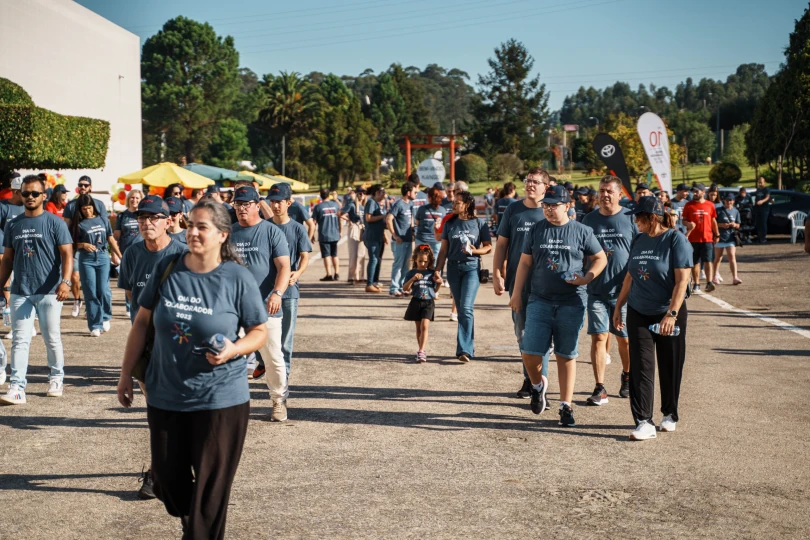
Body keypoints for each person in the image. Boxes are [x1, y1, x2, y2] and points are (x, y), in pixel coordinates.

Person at [116, 200, 268, 538]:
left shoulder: (236, 277)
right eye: (191, 225)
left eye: (203, 227)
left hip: (221, 399)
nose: (194, 232)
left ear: (222, 235)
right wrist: (126, 373)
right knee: (168, 481)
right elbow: (141, 323)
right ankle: (194, 520)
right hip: (165, 393)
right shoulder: (169, 267)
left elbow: (259, 331)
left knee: (210, 496)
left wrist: (233, 349)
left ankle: (199, 528)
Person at [509, 185, 606, 427]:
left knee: (566, 354)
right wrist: (516, 293)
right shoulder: (536, 230)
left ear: (568, 205)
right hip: (539, 300)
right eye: (546, 205)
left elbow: (600, 258)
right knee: (529, 351)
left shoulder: (581, 231)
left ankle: (566, 406)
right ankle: (537, 385)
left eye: (554, 205)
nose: (549, 210)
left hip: (571, 302)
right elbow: (524, 263)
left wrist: (586, 278)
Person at [117, 194, 187, 500]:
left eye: (154, 218)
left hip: (177, 342)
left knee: (181, 409)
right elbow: (132, 296)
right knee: (157, 410)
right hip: (145, 342)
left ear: (168, 221)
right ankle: (159, 470)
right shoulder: (133, 253)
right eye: (142, 218)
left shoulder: (183, 254)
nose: (146, 223)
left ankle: (173, 465)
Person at [613, 196, 692, 441]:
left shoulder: (675, 240)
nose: (635, 220)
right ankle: (644, 421)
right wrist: (619, 306)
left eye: (639, 216)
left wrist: (671, 314)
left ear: (653, 217)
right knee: (641, 366)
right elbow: (629, 276)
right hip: (639, 310)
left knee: (669, 365)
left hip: (668, 311)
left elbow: (682, 281)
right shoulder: (638, 239)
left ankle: (670, 413)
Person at [0, 175, 73, 405]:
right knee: (20, 340)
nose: (29, 197)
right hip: (21, 291)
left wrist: (66, 281)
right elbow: (7, 260)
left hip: (50, 291)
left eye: (34, 193)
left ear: (44, 196)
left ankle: (56, 378)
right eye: (25, 193)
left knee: (51, 338)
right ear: (20, 194)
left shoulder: (55, 223)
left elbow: (67, 253)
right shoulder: (13, 224)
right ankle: (17, 388)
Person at [230, 186, 291, 421]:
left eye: (246, 204)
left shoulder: (271, 232)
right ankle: (231, 403)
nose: (241, 208)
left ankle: (278, 400)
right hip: (233, 309)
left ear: (258, 205)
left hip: (266, 306)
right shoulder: (229, 232)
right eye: (237, 204)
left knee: (273, 357)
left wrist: (277, 293)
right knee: (229, 356)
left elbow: (284, 267)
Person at [493, 167, 550, 400]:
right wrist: (497, 273)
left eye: (536, 182)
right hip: (518, 283)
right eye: (528, 181)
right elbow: (501, 245)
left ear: (546, 186)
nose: (530, 185)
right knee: (522, 334)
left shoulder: (551, 210)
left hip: (546, 284)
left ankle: (539, 385)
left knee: (541, 335)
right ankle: (530, 379)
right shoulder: (513, 210)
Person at [581, 176, 638, 405]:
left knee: (624, 339)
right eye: (601, 191)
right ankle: (600, 387)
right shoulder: (589, 219)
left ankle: (627, 376)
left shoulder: (630, 218)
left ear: (619, 194)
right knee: (598, 337)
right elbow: (581, 250)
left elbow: (639, 251)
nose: (604, 195)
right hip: (595, 289)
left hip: (623, 291)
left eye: (609, 191)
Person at [433, 191, 492, 363]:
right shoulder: (450, 223)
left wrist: (474, 251)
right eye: (453, 203)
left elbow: (488, 247)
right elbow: (443, 250)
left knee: (466, 308)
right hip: (452, 269)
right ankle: (466, 347)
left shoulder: (479, 224)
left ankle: (464, 350)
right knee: (461, 309)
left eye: (457, 203)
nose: (453, 205)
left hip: (471, 269)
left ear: (467, 204)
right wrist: (438, 270)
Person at [268, 182, 311, 380]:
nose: (276, 206)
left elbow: (305, 256)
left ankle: (283, 377)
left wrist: (298, 273)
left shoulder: (297, 229)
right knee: (265, 338)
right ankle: (266, 369)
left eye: (280, 202)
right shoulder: (264, 226)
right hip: (266, 291)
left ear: (289, 202)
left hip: (289, 292)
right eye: (273, 201)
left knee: (285, 339)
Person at [71, 194, 122, 337]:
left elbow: (110, 238)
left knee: (104, 290)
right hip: (86, 259)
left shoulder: (102, 219)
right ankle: (95, 324)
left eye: (89, 208)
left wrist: (119, 254)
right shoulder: (78, 224)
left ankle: (105, 316)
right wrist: (83, 244)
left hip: (102, 256)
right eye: (84, 209)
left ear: (93, 207)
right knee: (90, 291)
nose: (87, 211)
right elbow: (70, 244)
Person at [63, 175, 108, 319]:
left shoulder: (99, 204)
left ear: (90, 187)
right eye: (80, 185)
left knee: (100, 287)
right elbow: (66, 228)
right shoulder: (71, 205)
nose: (83, 187)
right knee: (75, 277)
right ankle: (77, 300)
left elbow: (104, 228)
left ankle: (96, 311)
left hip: (98, 251)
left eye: (85, 185)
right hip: (76, 247)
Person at [403, 245, 441, 363]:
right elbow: (405, 288)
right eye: (420, 261)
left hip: (428, 302)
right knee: (418, 328)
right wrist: (413, 279)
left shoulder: (432, 273)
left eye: (425, 261)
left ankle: (421, 350)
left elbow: (435, 290)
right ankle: (421, 350)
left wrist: (439, 282)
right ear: (415, 260)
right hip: (416, 301)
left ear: (429, 261)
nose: (423, 264)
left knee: (425, 326)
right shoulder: (411, 273)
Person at [682, 183, 719, 293]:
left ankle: (709, 283)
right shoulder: (689, 205)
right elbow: (683, 220)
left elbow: (713, 221)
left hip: (707, 238)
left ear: (703, 192)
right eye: (693, 191)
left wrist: (717, 234)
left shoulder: (710, 205)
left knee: (708, 261)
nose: (695, 193)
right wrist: (688, 224)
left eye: (697, 191)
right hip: (693, 239)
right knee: (695, 262)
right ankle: (696, 284)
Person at [114, 189, 143, 316]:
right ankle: (129, 306)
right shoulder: (122, 216)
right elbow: (116, 236)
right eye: (132, 197)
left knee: (140, 278)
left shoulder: (143, 214)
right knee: (128, 280)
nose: (134, 200)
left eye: (137, 198)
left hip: (142, 251)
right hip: (126, 252)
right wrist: (115, 253)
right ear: (128, 199)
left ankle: (140, 304)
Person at [386, 182, 417, 296]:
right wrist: (394, 235)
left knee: (406, 265)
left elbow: (411, 221)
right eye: (414, 192)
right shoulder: (398, 204)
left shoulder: (411, 204)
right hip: (399, 241)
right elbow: (389, 218)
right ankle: (394, 288)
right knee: (398, 264)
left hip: (408, 239)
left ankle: (402, 287)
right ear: (408, 192)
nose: (416, 194)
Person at [312, 188, 342, 282]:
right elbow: (340, 219)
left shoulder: (318, 207)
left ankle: (329, 274)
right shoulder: (335, 205)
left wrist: (312, 234)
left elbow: (314, 222)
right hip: (334, 233)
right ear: (329, 195)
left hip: (324, 234)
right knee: (335, 254)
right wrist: (340, 231)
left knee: (326, 255)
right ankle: (337, 273)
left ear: (320, 195)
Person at [714, 192, 742, 285]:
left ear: (733, 201)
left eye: (730, 200)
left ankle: (735, 277)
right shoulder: (718, 210)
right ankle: (715, 276)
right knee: (718, 257)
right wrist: (722, 225)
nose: (728, 202)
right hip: (720, 237)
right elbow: (713, 223)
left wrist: (734, 225)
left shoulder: (735, 211)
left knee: (732, 257)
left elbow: (738, 224)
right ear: (724, 201)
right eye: (727, 200)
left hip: (731, 237)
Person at [363, 184, 388, 293]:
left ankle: (374, 282)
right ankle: (369, 284)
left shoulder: (377, 204)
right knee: (373, 259)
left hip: (378, 235)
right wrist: (383, 216)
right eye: (383, 192)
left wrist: (384, 235)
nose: (384, 194)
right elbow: (368, 218)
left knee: (378, 259)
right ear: (377, 192)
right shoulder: (371, 202)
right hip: (372, 236)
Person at [414, 185, 447, 263]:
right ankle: (434, 275)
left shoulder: (422, 209)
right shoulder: (442, 210)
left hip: (421, 240)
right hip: (436, 241)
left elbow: (417, 223)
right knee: (435, 263)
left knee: (420, 262)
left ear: (429, 197)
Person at [342, 186, 367, 285]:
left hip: (363, 227)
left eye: (364, 193)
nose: (362, 195)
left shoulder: (364, 206)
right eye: (360, 193)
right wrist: (349, 220)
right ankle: (351, 276)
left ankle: (360, 276)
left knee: (362, 253)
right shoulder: (352, 204)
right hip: (355, 227)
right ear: (356, 194)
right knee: (353, 253)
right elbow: (340, 213)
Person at [753, 176, 771, 243]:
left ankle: (763, 237)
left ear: (764, 182)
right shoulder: (758, 189)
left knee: (763, 223)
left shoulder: (766, 189)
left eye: (761, 182)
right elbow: (756, 198)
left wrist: (762, 201)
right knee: (758, 223)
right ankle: (759, 237)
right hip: (758, 209)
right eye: (759, 182)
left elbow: (767, 197)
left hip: (764, 208)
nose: (760, 184)